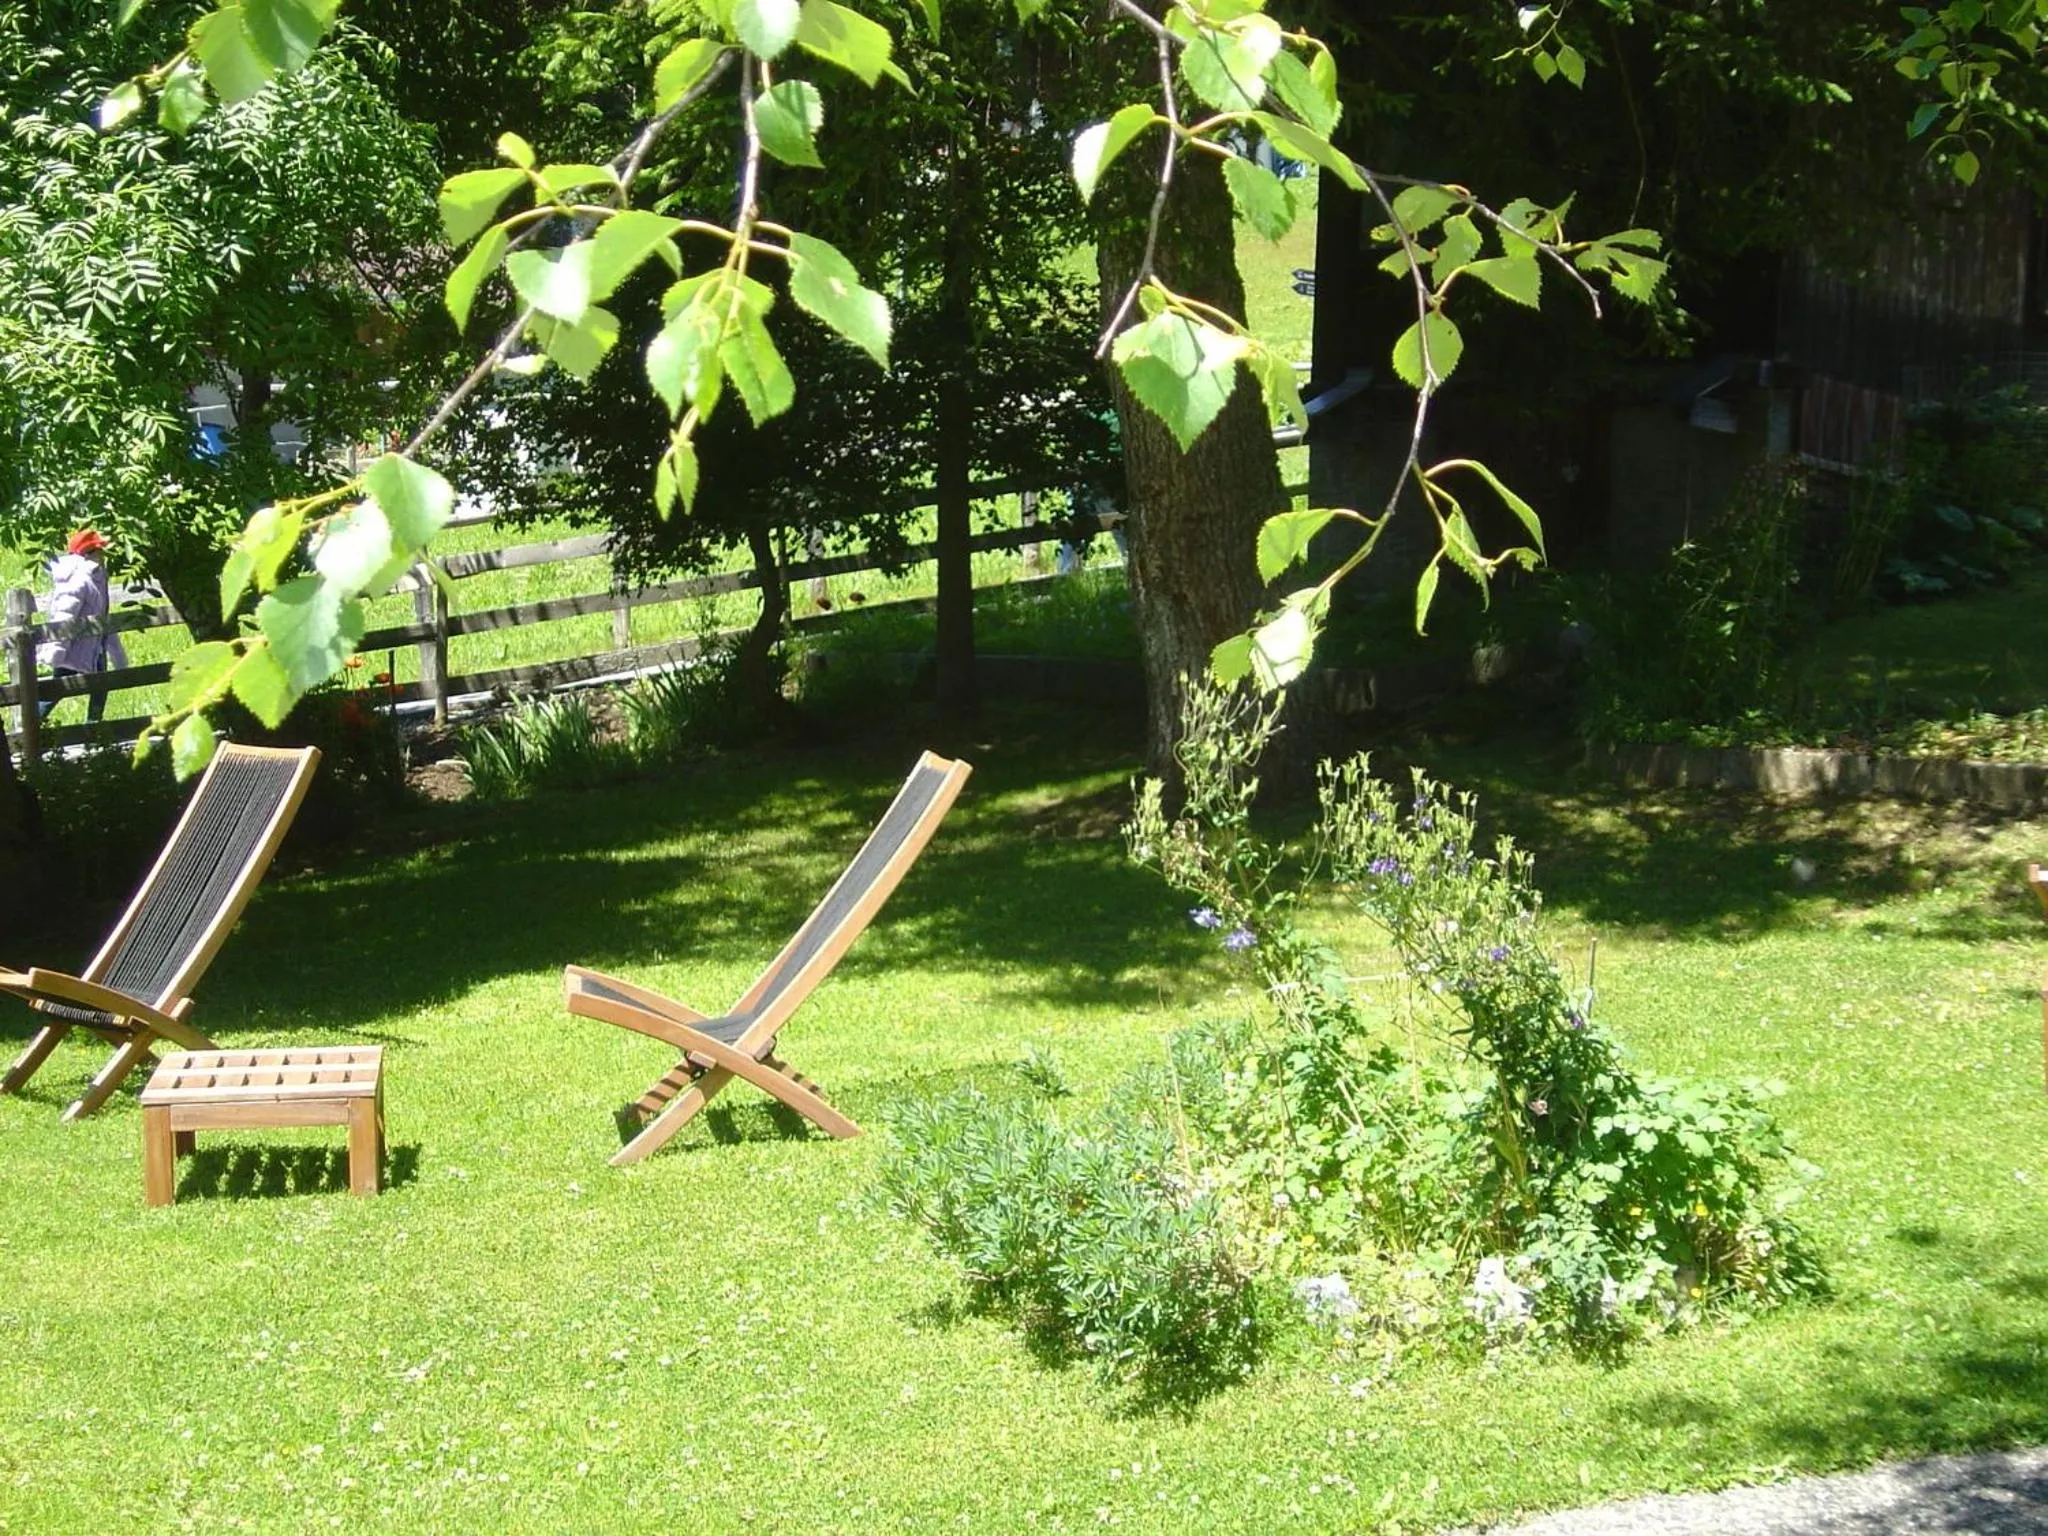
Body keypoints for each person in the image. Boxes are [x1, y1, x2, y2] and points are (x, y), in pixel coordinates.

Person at [36, 529, 126, 724]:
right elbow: (64, 615)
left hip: (94, 647)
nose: (104, 555)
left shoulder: (98, 578)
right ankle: (29, 726)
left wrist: (118, 658)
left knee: (100, 688)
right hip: (75, 648)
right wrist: (56, 649)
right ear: (90, 553)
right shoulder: (79, 581)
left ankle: (94, 730)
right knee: (57, 690)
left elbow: (103, 618)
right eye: (100, 551)